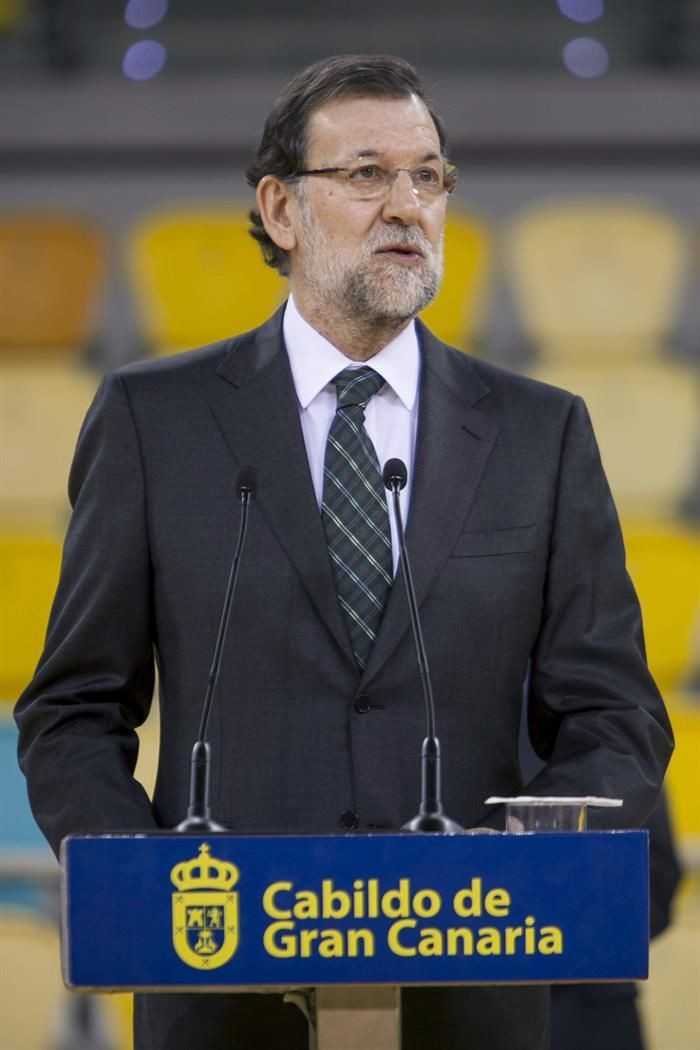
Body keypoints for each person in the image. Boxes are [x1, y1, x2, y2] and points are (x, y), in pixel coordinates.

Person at [15, 54, 673, 1050]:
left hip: (471, 998)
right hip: (222, 990)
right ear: (280, 209)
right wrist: (136, 875)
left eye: (428, 176)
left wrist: (517, 867)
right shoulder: (158, 422)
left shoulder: (540, 435)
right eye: (367, 174)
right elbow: (72, 708)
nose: (406, 204)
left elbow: (615, 714)